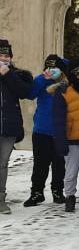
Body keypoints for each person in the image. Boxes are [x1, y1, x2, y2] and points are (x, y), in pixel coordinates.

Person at [51, 57, 79, 213]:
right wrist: (61, 141)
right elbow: (57, 119)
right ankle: (70, 197)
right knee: (71, 172)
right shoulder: (63, 91)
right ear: (76, 72)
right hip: (72, 139)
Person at [24, 54, 67, 207]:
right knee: (40, 164)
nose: (51, 70)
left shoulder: (66, 83)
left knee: (59, 164)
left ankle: (57, 191)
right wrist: (43, 79)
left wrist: (64, 67)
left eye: (55, 67)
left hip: (60, 131)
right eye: (49, 67)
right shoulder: (40, 80)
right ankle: (37, 192)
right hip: (42, 130)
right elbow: (30, 95)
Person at [0, 39, 32, 214]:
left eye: (7, 56)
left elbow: (24, 92)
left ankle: (0, 199)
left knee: (2, 164)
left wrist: (7, 74)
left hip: (8, 127)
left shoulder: (17, 74)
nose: (4, 59)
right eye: (1, 55)